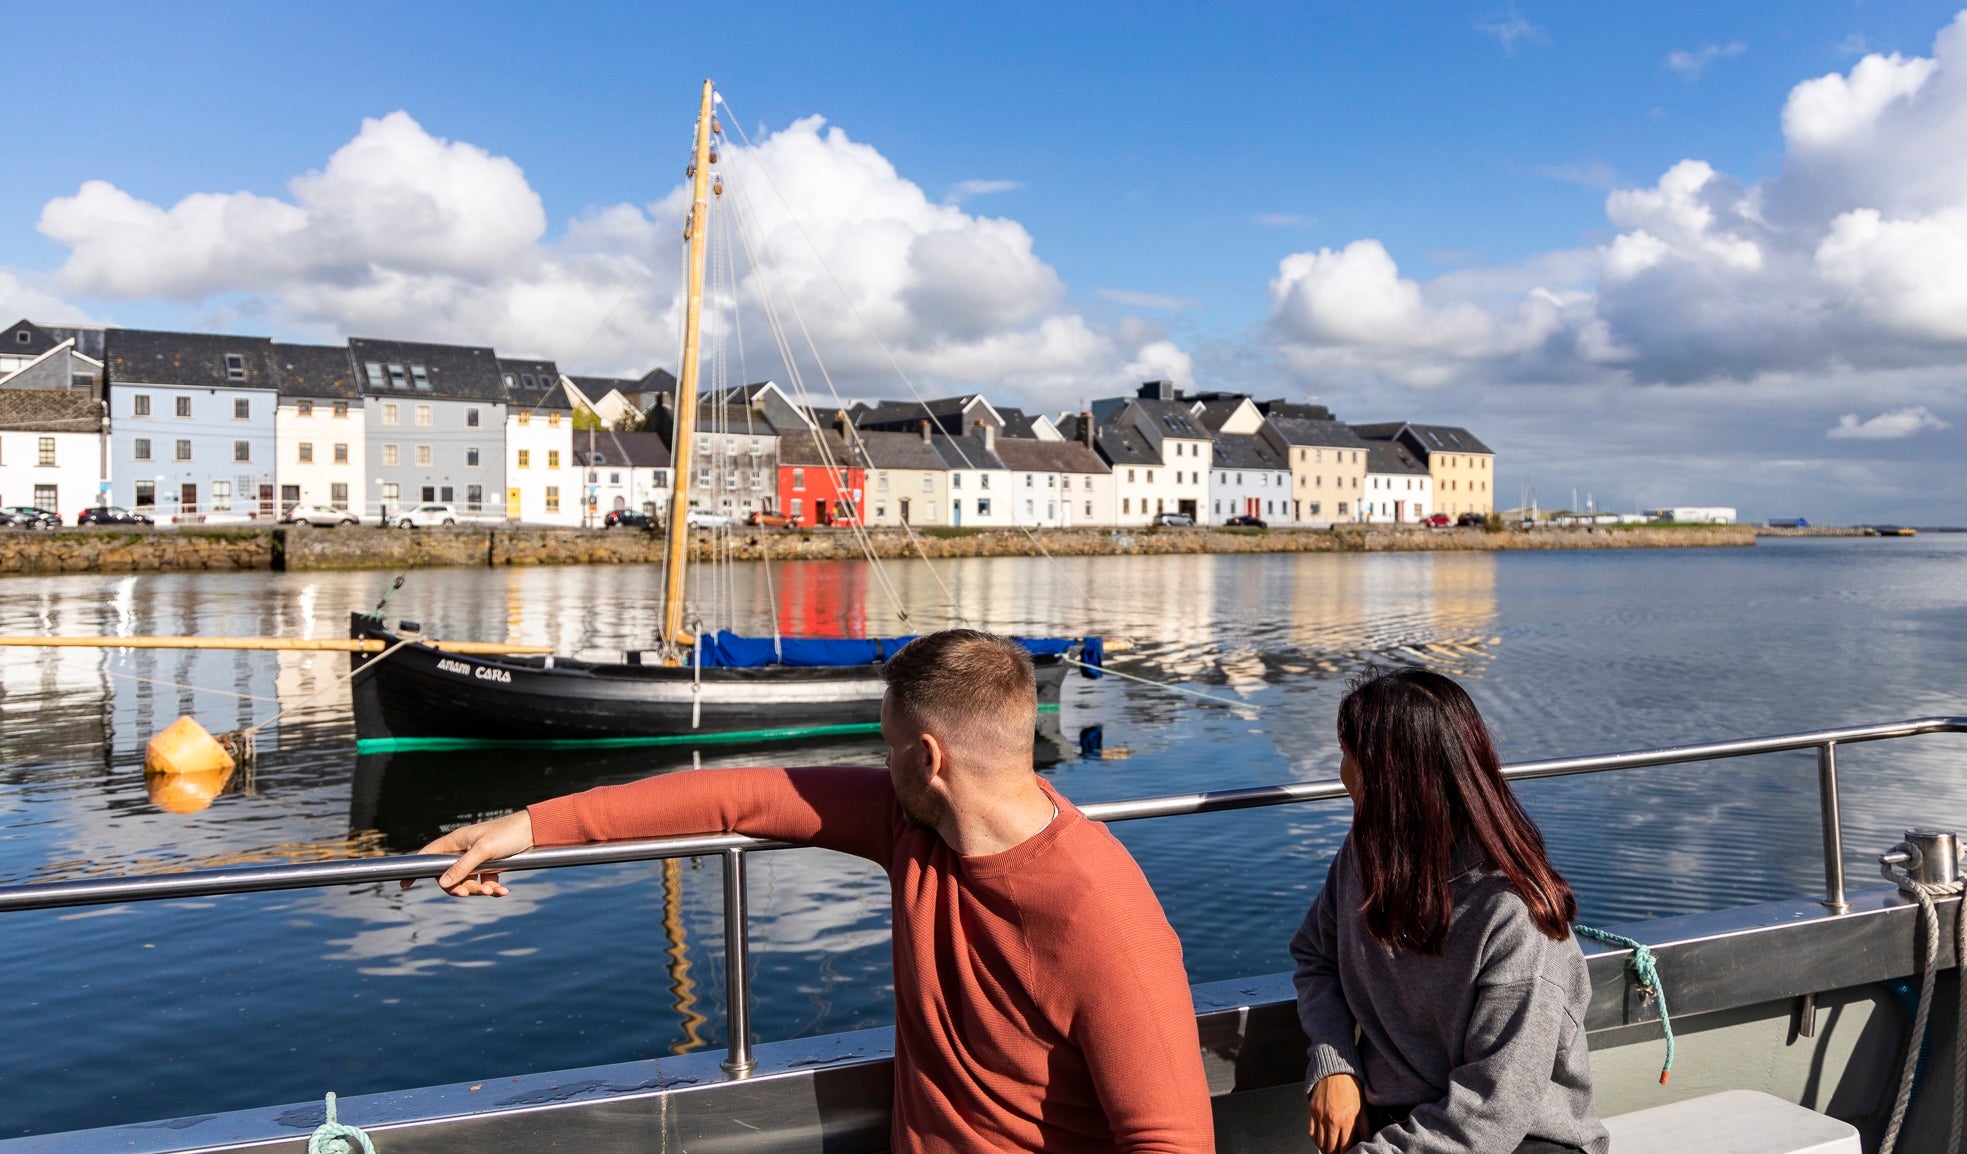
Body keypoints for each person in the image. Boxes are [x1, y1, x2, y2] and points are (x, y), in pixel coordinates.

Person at [412, 628, 1216, 1154]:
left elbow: (1171, 1142)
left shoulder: (1101, 916)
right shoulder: (912, 825)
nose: (880, 761)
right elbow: (740, 797)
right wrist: (527, 828)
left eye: (886, 745)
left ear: (927, 758)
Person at [1291, 667, 1609, 1154]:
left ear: (1391, 778)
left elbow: (1490, 1113)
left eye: (1348, 755)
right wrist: (1335, 1061)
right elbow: (1316, 957)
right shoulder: (1364, 855)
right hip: (1407, 1126)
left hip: (1523, 1140)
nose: (1342, 774)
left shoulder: (1513, 916)